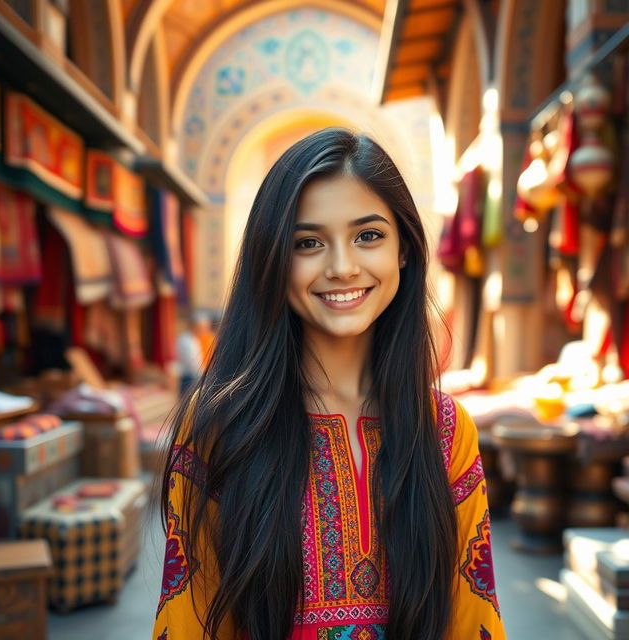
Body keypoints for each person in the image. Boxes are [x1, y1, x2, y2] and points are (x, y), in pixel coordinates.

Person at [153, 128, 507, 640]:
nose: (342, 267)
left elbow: (475, 620)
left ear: (404, 250)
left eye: (368, 235)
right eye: (308, 243)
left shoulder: (446, 429)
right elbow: (187, 625)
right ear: (273, 259)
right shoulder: (219, 429)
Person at [176, 313, 203, 395]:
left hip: (191, 377)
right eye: (201, 328)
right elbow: (192, 363)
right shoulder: (187, 340)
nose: (203, 330)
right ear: (195, 326)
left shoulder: (192, 339)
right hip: (189, 378)